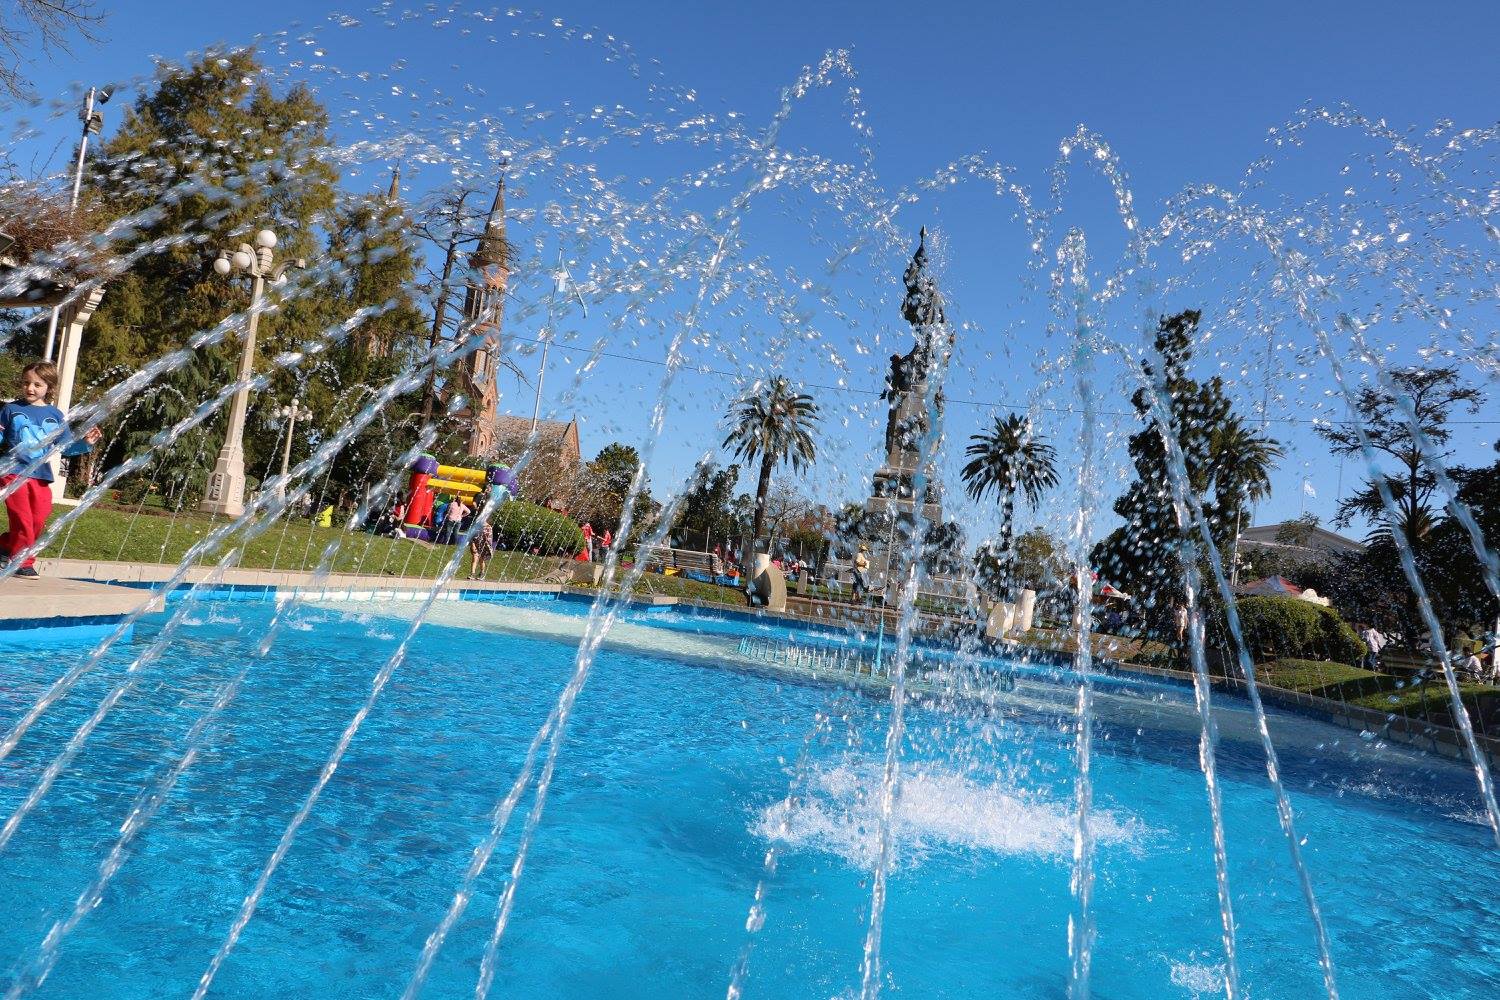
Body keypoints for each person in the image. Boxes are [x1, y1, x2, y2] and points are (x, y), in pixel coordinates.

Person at [0, 362, 101, 579]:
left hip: (41, 475)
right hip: (12, 471)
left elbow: (64, 447)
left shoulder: (55, 416)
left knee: (38, 520)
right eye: (26, 382)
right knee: (23, 519)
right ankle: (21, 563)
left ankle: (5, 545)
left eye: (37, 384)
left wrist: (86, 444)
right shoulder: (10, 410)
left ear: (49, 387)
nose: (30, 388)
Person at [468, 515, 494, 580]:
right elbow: (473, 537)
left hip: (484, 546)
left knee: (481, 560)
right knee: (474, 559)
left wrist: (487, 548)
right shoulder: (477, 527)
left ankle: (482, 573)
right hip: (476, 545)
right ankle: (472, 573)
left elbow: (489, 538)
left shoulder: (488, 528)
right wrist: (473, 544)